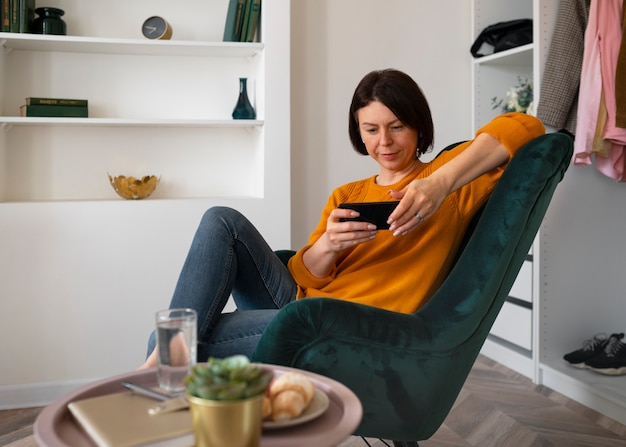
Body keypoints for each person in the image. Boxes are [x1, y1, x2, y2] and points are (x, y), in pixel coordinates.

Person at [140, 68, 544, 368]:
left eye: (397, 126)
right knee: (221, 219)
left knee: (175, 345)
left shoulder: (450, 181)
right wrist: (329, 245)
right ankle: (162, 362)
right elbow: (300, 275)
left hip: (353, 327)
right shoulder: (347, 195)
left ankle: (158, 366)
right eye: (370, 129)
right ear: (358, 131)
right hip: (301, 305)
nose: (383, 142)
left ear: (419, 126)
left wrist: (438, 184)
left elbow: (527, 127)